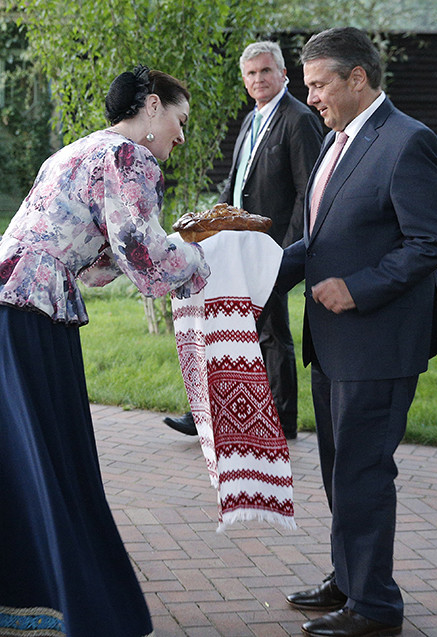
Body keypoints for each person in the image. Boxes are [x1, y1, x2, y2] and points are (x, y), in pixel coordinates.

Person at [0, 67, 209, 637]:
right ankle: (79, 606)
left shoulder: (77, 150)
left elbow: (90, 247)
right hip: (24, 318)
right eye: (180, 121)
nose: (181, 137)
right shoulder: (130, 157)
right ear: (153, 107)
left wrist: (137, 255)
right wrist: (200, 260)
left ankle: (4, 601)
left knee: (3, 457)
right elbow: (148, 261)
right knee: (51, 459)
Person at [278, 28, 437, 637]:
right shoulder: (336, 141)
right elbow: (321, 239)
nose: (312, 98)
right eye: (308, 87)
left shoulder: (409, 142)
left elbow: (434, 239)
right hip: (331, 342)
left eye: (320, 84)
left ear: (359, 78)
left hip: (378, 343)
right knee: (337, 469)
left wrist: (359, 287)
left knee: (361, 472)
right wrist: (255, 276)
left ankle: (374, 608)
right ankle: (348, 578)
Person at [163, 40, 322, 440]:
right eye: (250, 74)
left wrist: (288, 253)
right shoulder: (253, 120)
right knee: (237, 329)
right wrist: (210, 225)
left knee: (271, 333)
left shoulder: (298, 119)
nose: (258, 79)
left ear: (284, 74)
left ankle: (283, 420)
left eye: (265, 71)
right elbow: (236, 185)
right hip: (236, 247)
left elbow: (310, 190)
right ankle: (213, 414)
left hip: (273, 249)